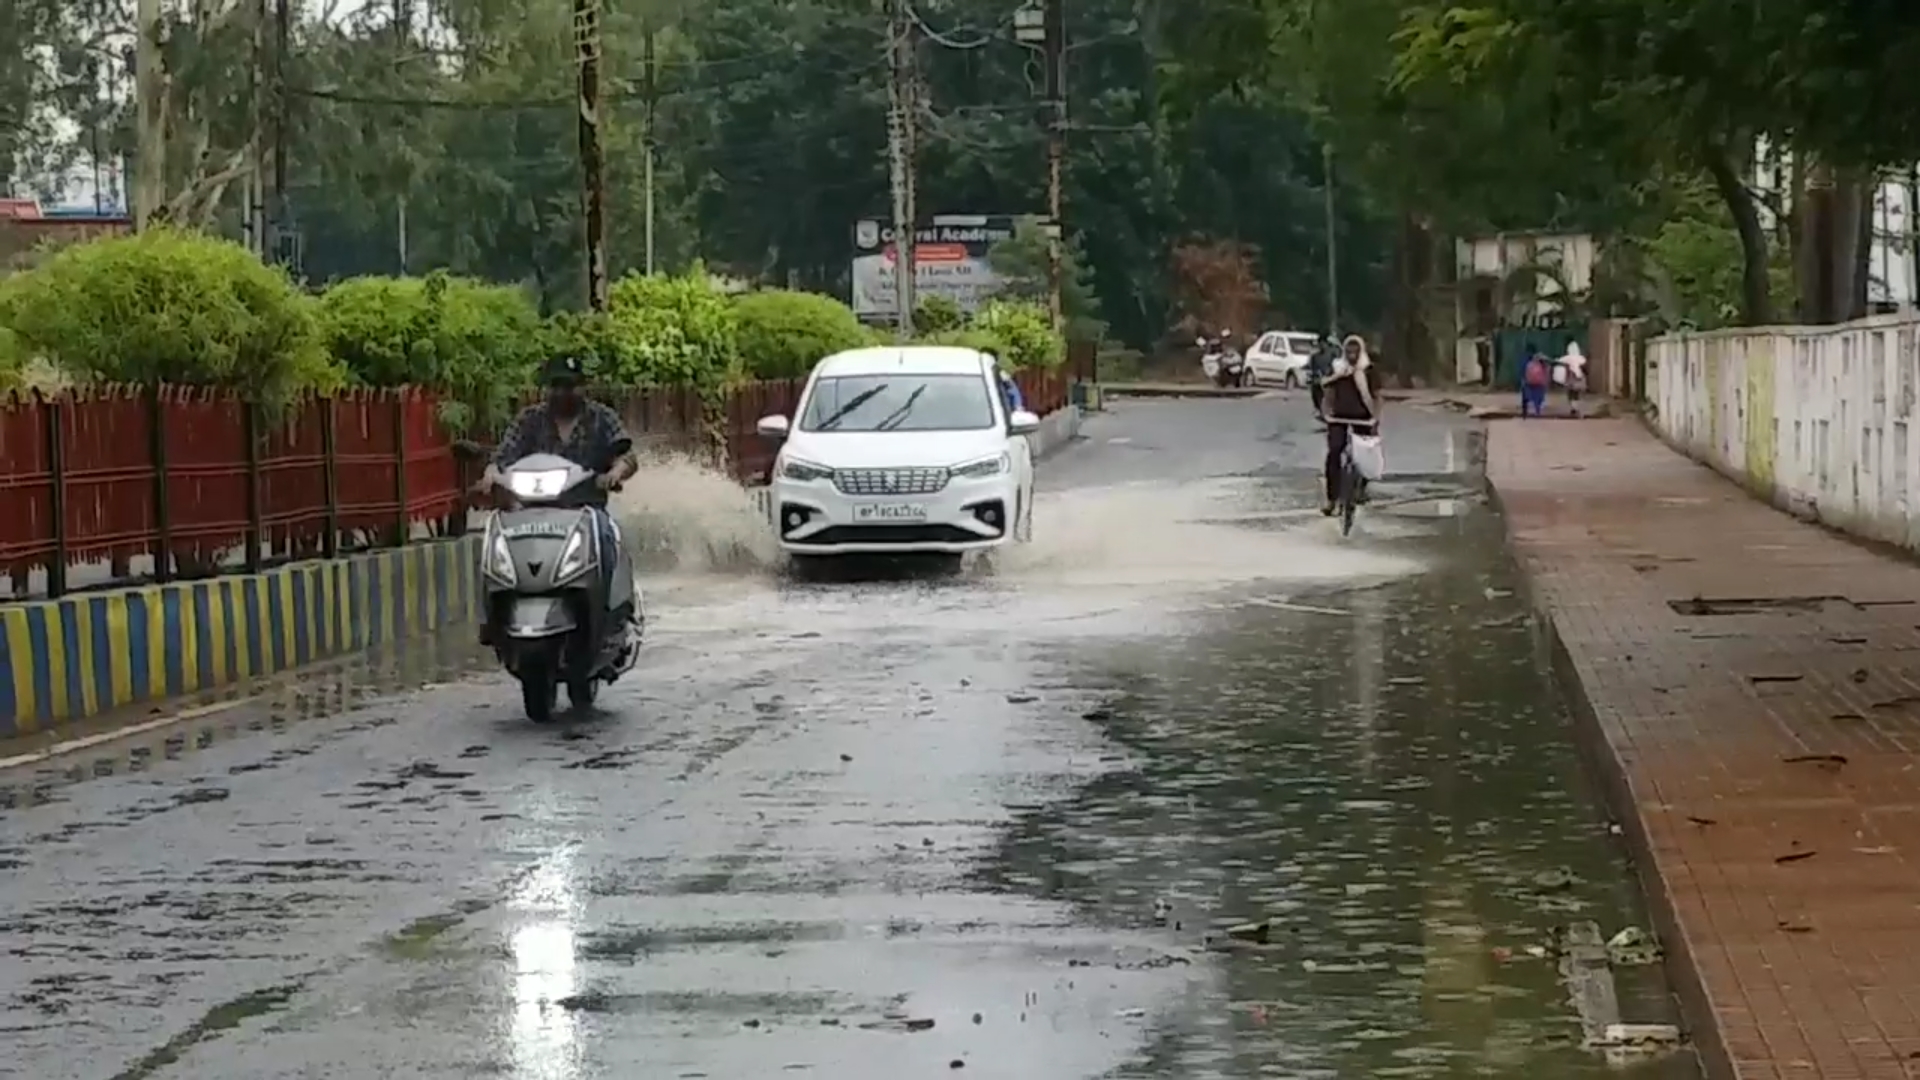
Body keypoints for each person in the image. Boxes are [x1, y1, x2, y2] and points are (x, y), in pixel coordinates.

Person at [477, 353, 638, 603]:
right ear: (547, 388)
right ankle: (494, 616)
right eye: (557, 386)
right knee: (497, 547)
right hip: (530, 512)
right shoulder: (529, 420)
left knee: (606, 541)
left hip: (586, 510)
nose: (563, 393)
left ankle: (606, 610)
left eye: (570, 386)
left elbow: (626, 456)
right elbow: (503, 457)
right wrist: (492, 474)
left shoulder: (601, 418)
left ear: (583, 387)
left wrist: (614, 474)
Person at [1320, 334, 1380, 516]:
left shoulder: (1369, 370)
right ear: (1344, 351)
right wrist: (1327, 414)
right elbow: (1327, 392)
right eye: (1349, 350)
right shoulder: (1337, 369)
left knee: (1366, 455)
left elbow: (1377, 395)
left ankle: (1361, 488)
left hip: (1363, 418)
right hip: (1338, 418)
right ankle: (1331, 498)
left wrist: (1376, 417)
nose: (1352, 353)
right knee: (1334, 452)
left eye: (1356, 350)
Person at [1556, 340, 1588, 408]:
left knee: (1570, 392)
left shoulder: (1568, 358)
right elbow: (1584, 363)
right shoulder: (1581, 358)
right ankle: (1576, 406)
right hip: (1579, 376)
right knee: (1576, 393)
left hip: (1571, 376)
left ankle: (1573, 406)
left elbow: (1559, 360)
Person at [1520, 349, 1550, 417]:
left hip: (1531, 382)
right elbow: (1547, 375)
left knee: (1530, 396)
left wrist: (1526, 380)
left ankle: (1530, 409)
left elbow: (1526, 373)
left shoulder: (1530, 364)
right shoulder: (1544, 365)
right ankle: (1537, 410)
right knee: (1538, 398)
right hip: (1540, 383)